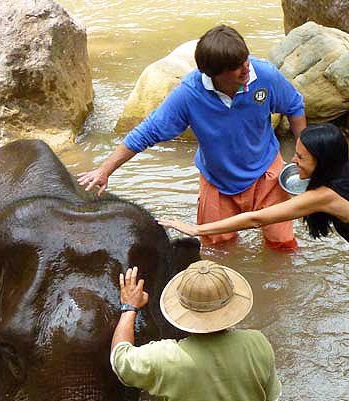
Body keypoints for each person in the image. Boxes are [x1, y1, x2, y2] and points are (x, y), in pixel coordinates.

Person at [160, 124, 349, 369]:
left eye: (301, 157)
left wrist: (197, 228)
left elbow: (256, 219)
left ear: (322, 161)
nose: (293, 159)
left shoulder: (325, 196)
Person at [79, 24, 307, 251]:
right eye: (236, 66)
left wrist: (304, 155)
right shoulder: (189, 94)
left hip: (267, 173)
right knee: (218, 251)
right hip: (218, 182)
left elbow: (294, 105)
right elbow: (146, 132)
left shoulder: (264, 75)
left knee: (283, 246)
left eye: (245, 60)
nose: (246, 68)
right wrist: (105, 170)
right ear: (214, 73)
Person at [109, 262, 281, 401]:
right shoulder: (258, 342)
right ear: (232, 304)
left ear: (182, 309)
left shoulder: (168, 357)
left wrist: (129, 308)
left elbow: (120, 359)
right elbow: (269, 398)